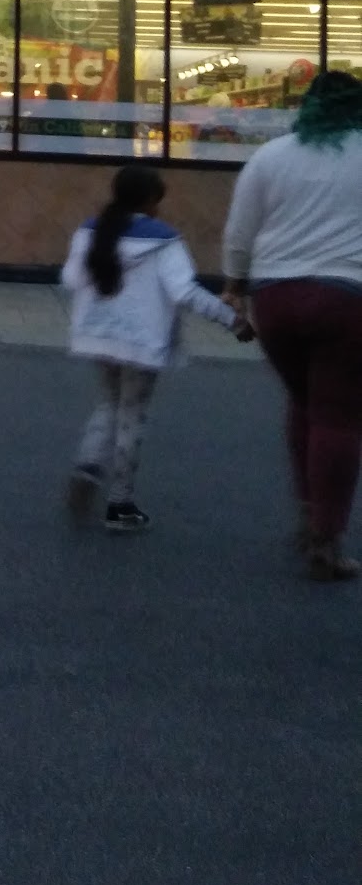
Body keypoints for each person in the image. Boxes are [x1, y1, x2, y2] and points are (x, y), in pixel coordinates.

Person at [222, 69, 362, 582]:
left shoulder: (271, 155)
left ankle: (308, 510)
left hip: (276, 297)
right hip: (348, 297)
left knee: (304, 402)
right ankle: (327, 539)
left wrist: (234, 285)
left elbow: (240, 230)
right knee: (338, 415)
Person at [63, 163, 241, 532]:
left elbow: (70, 278)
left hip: (99, 335)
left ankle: (88, 465)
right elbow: (185, 292)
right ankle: (120, 503)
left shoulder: (90, 231)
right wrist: (232, 320)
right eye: (157, 200)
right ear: (148, 200)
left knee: (109, 402)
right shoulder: (164, 240)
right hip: (142, 342)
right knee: (132, 414)